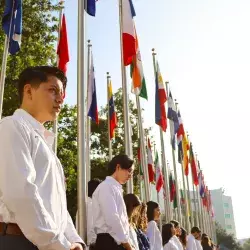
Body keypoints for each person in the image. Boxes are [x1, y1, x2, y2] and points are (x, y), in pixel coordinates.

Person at [0, 66, 85, 250]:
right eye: (53, 90)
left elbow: (58, 206)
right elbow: (22, 194)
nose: (61, 99)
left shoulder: (48, 149)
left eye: (62, 94)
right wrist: (58, 244)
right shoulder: (11, 127)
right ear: (29, 91)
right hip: (19, 242)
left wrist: (74, 240)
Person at [92, 154, 135, 250]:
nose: (130, 175)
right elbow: (112, 219)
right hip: (108, 242)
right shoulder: (106, 187)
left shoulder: (115, 188)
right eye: (129, 171)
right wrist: (127, 244)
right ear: (118, 167)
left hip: (117, 242)